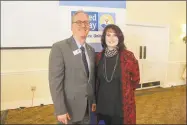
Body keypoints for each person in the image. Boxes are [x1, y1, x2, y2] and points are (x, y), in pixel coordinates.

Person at [48, 10, 96, 124]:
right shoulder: (59, 48)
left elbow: (91, 79)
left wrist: (93, 100)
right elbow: (55, 82)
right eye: (79, 22)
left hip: (87, 109)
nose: (83, 25)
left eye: (86, 22)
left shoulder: (91, 50)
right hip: (68, 111)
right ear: (72, 26)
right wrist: (60, 110)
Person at [95, 24, 140, 124]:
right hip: (102, 107)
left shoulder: (128, 56)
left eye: (115, 35)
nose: (111, 38)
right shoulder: (98, 57)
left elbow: (136, 80)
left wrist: (127, 91)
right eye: (108, 35)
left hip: (121, 108)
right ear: (104, 38)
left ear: (119, 38)